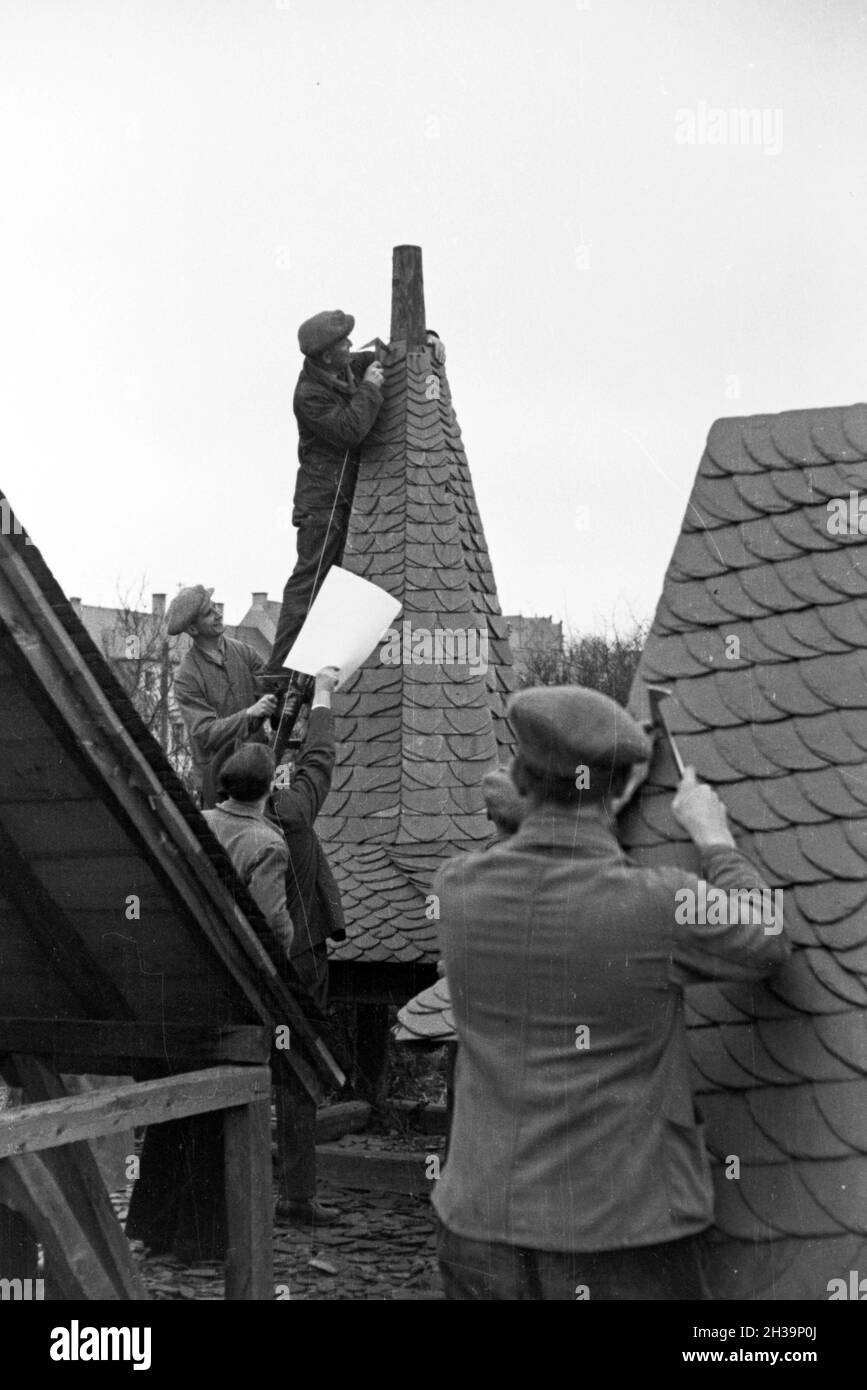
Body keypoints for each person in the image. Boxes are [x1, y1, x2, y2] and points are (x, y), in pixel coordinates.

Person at [432, 684, 791, 1301]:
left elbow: (545, 866)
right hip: (617, 1234)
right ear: (621, 788)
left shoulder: (458, 889)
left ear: (519, 776)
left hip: (480, 1223)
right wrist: (714, 839)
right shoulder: (659, 904)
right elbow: (766, 936)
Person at [266, 311, 445, 674]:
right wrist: (370, 389)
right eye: (343, 343)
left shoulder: (345, 364)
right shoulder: (309, 395)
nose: (351, 346)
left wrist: (425, 337)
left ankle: (320, 667)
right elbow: (350, 430)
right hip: (322, 503)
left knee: (341, 587)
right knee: (310, 586)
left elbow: (386, 351)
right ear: (326, 355)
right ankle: (278, 675)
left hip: (348, 498)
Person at [268, 664, 347, 1226]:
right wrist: (322, 695)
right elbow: (319, 759)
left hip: (253, 962)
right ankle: (297, 1197)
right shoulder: (292, 813)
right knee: (298, 1079)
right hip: (300, 958)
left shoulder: (230, 819)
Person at [167, 585, 278, 807]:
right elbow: (205, 733)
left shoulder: (243, 652)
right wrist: (249, 714)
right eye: (209, 613)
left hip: (256, 775)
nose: (218, 613)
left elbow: (271, 685)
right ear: (193, 629)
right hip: (219, 783)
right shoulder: (187, 676)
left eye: (215, 607)